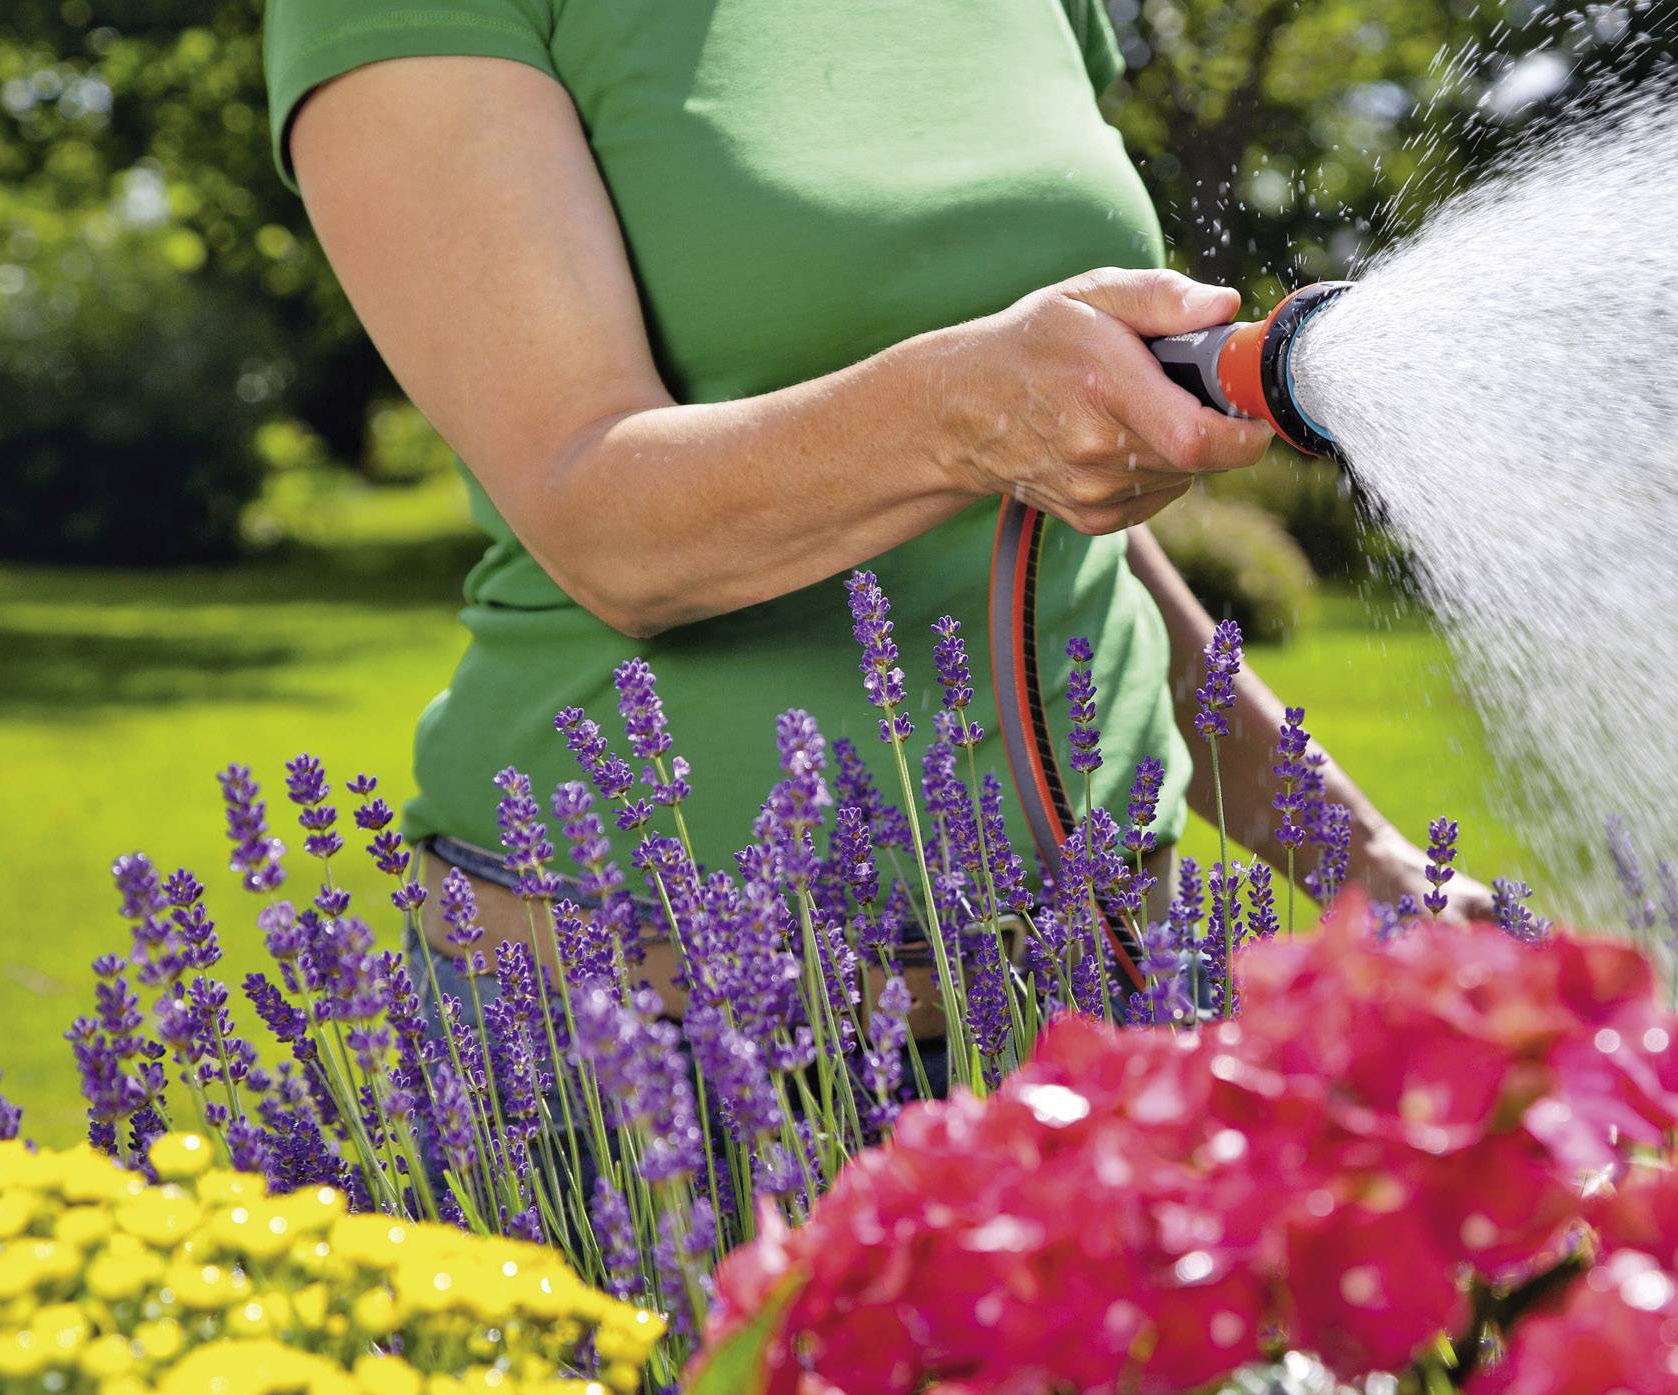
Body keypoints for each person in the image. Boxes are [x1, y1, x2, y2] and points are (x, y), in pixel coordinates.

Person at [264, 0, 1481, 1033]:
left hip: (1109, 1009)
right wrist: (958, 412)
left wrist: (1356, 859)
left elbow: (1059, 553)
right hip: (663, 1066)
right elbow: (604, 526)